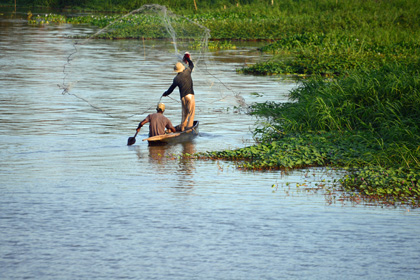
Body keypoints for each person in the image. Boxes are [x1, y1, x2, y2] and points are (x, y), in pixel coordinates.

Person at [162, 52, 195, 132]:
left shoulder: (176, 79)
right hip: (190, 96)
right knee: (191, 113)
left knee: (184, 114)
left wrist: (165, 93)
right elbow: (192, 65)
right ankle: (189, 129)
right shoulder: (187, 72)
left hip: (183, 98)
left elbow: (171, 89)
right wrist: (187, 58)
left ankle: (183, 128)